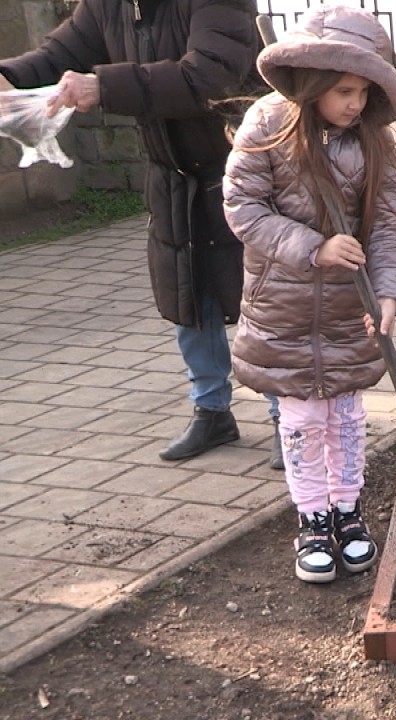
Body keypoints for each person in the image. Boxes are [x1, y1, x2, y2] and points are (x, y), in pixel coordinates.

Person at [0, 0, 284, 468]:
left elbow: (208, 76)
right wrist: (9, 75)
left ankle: (286, 417)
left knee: (262, 300)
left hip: (243, 169)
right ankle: (212, 410)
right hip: (172, 174)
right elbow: (58, 55)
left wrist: (103, 86)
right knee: (187, 297)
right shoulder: (107, 6)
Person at [222, 4, 396, 583]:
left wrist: (388, 294)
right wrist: (314, 246)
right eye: (343, 91)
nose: (355, 103)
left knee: (347, 416)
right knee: (303, 419)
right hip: (284, 306)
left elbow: (388, 225)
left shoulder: (374, 141)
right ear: (313, 82)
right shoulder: (267, 124)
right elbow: (242, 206)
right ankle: (312, 518)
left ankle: (348, 510)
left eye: (364, 91)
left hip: (350, 308)